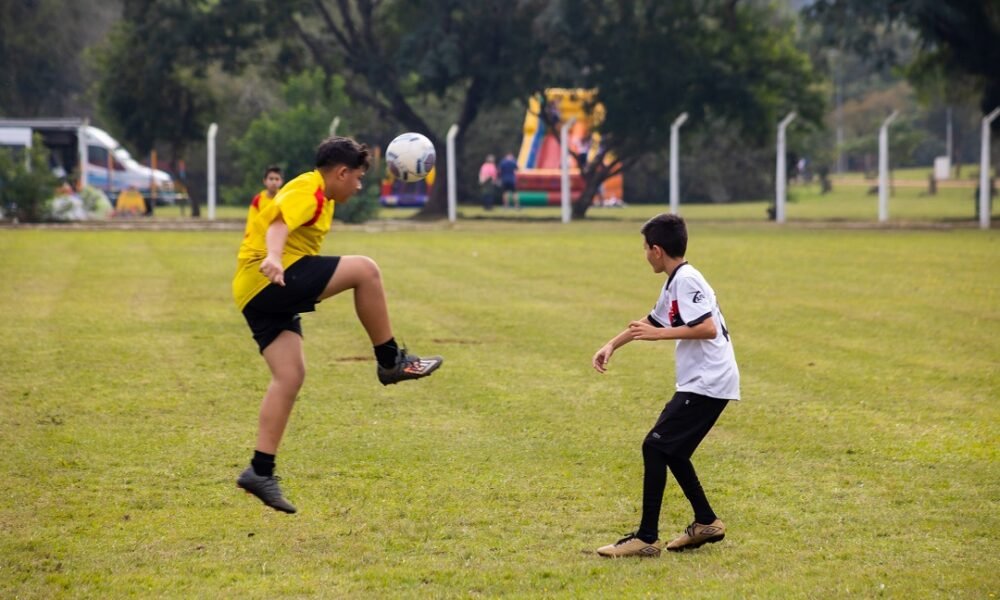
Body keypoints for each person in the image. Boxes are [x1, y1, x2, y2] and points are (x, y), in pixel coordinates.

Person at [233, 136, 444, 514]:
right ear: (341, 172)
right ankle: (390, 360)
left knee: (290, 375)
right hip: (268, 277)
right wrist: (276, 259)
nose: (360, 185)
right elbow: (279, 224)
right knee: (365, 270)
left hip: (257, 292)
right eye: (358, 177)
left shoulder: (323, 197)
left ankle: (259, 470)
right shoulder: (308, 187)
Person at [592, 213, 740, 557]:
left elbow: (706, 328)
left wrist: (660, 335)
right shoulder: (676, 281)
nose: (645, 254)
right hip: (704, 381)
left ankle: (646, 537)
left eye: (645, 248)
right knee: (671, 450)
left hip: (708, 381)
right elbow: (651, 320)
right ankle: (706, 522)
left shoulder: (687, 280)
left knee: (655, 446)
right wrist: (612, 344)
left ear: (657, 250)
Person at [243, 166, 284, 237]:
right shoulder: (258, 199)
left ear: (281, 181)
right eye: (271, 179)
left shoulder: (284, 198)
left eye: (277, 179)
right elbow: (251, 219)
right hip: (261, 236)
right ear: (264, 181)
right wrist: (248, 234)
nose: (274, 182)